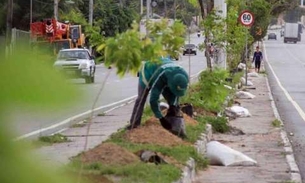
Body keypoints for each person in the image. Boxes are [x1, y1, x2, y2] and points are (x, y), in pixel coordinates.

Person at [127, 56, 189, 130]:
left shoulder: (184, 76)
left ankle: (174, 123)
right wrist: (161, 118)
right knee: (141, 99)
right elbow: (153, 100)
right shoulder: (160, 77)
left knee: (172, 102)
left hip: (164, 72)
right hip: (148, 72)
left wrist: (173, 106)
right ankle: (134, 124)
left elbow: (176, 94)